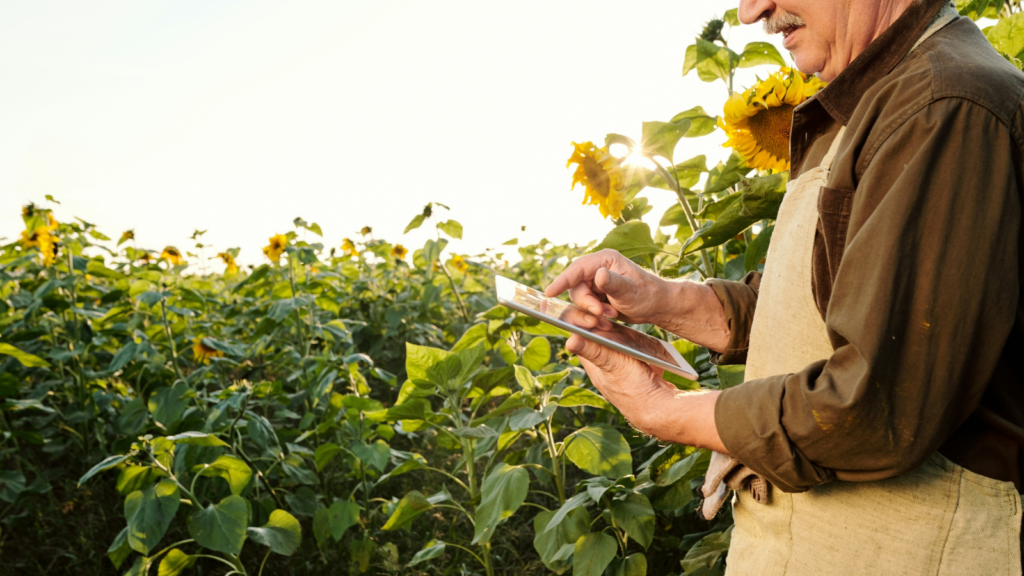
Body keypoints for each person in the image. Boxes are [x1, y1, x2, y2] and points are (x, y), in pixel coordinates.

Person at [545, 0, 1024, 573]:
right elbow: (827, 300)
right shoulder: (875, 91)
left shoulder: (945, 105)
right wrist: (665, 301)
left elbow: (878, 403)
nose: (751, 12)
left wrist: (669, 411)